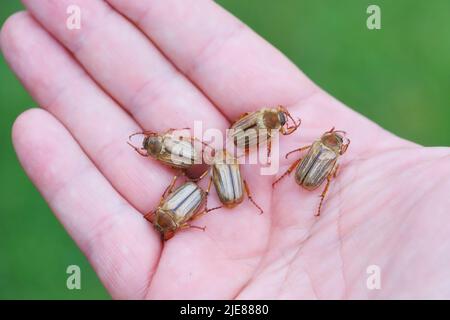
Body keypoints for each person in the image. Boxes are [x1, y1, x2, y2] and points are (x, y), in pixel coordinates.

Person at [1, 0, 449, 299]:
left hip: (218, 179)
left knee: (197, 173)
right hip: (210, 179)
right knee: (193, 172)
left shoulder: (271, 151)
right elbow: (219, 162)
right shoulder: (213, 170)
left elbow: (252, 152)